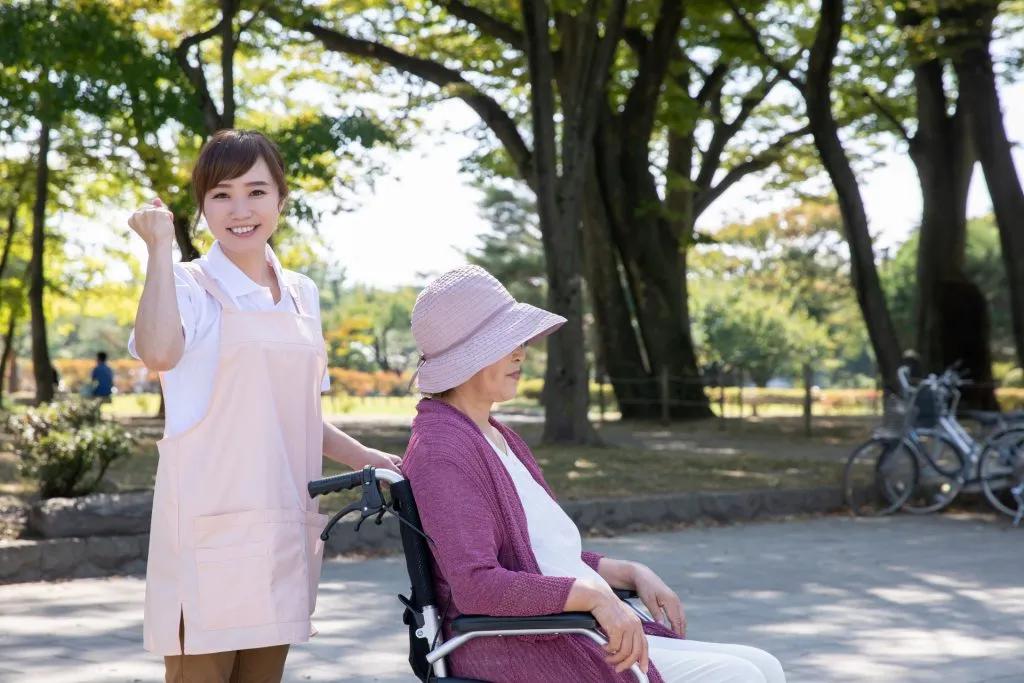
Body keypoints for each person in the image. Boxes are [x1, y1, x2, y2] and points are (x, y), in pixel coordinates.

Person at [403, 265, 786, 683]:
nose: (521, 352)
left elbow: (536, 557)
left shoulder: (496, 437)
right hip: (522, 647)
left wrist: (628, 572)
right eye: (507, 341)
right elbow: (477, 586)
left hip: (564, 633)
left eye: (520, 340)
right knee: (740, 676)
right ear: (469, 353)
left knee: (764, 666)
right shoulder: (444, 450)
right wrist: (592, 595)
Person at [126, 129, 402, 683]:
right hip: (207, 530)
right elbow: (158, 353)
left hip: (281, 524)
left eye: (256, 191)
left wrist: (367, 456)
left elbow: (299, 414)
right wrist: (159, 248)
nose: (240, 209)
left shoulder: (302, 292)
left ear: (281, 198)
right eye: (221, 194)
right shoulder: (186, 284)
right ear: (201, 208)